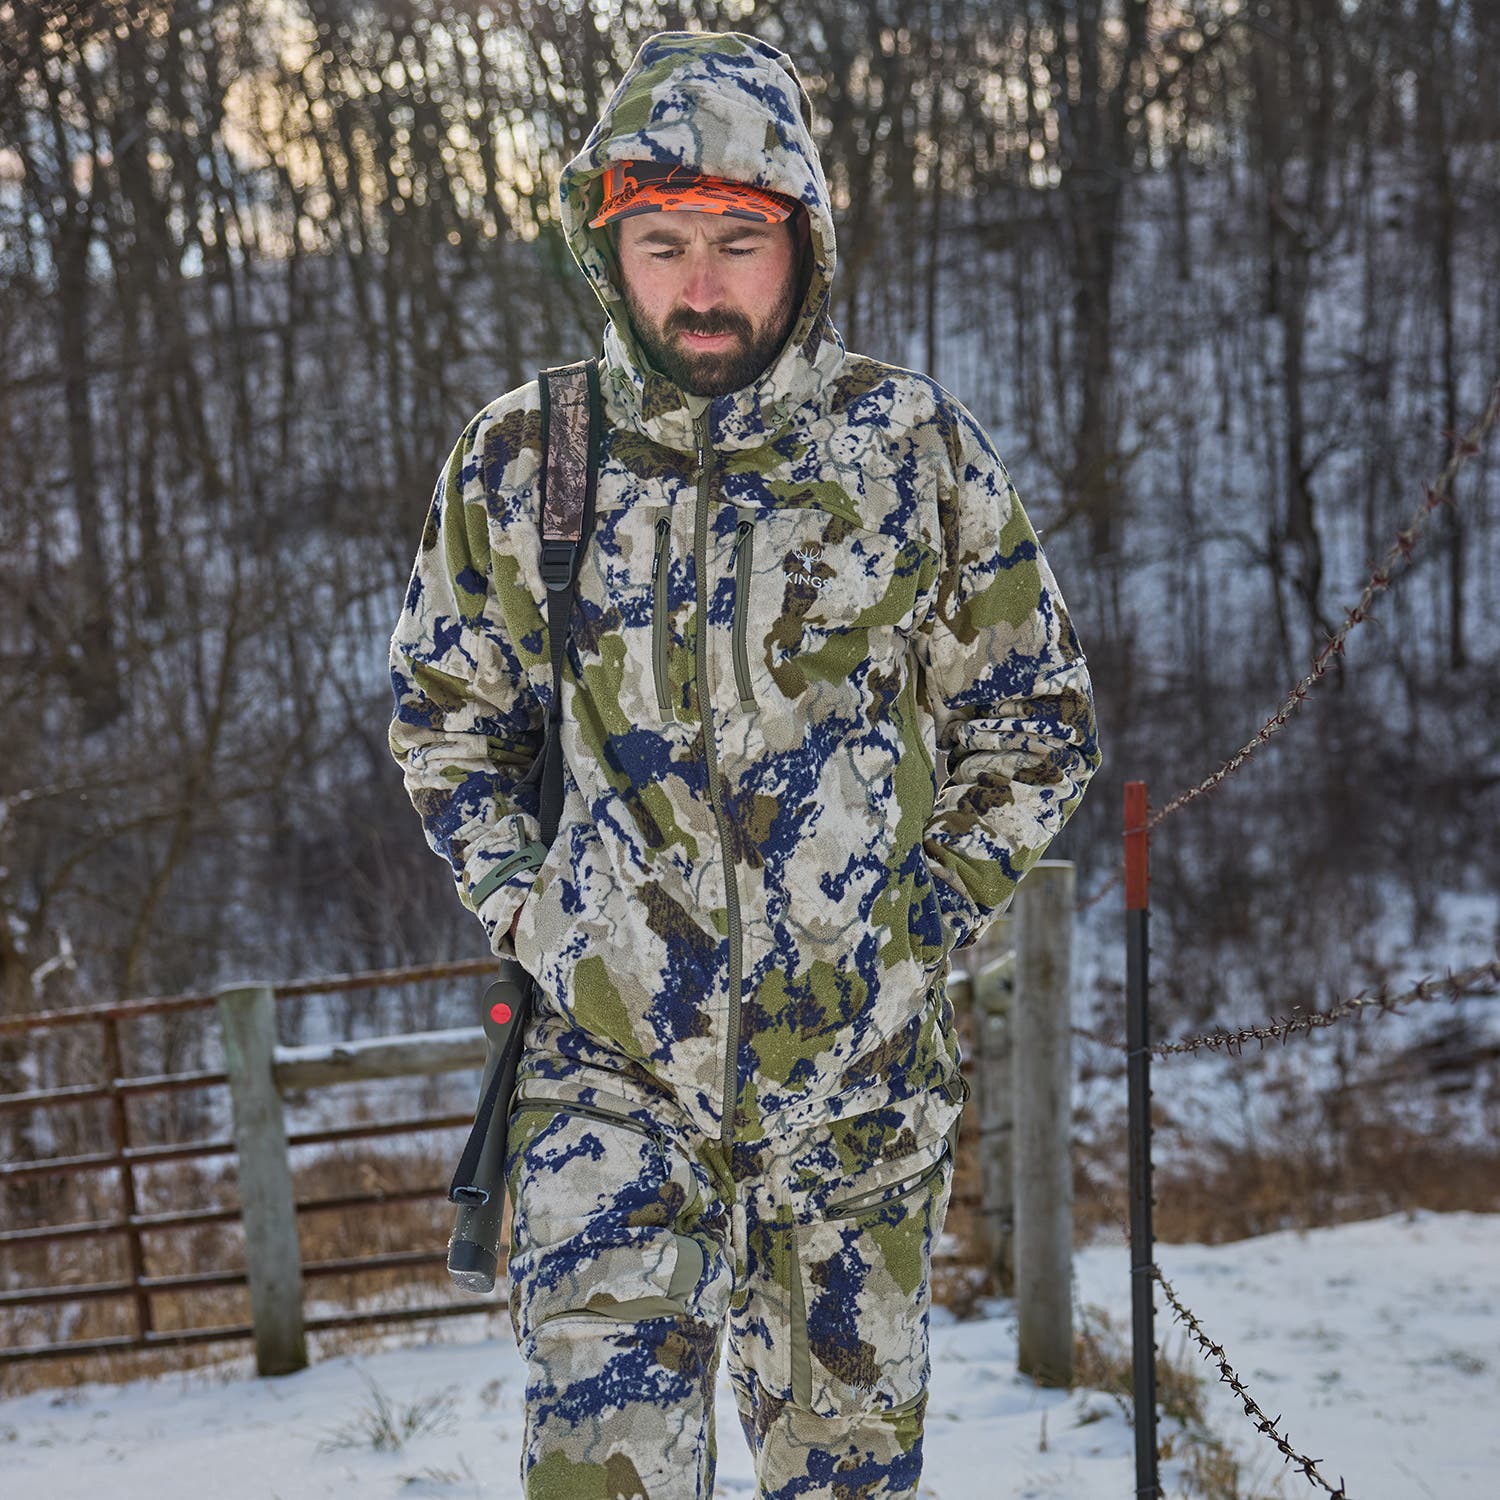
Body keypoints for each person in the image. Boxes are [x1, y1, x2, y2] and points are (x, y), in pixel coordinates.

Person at [389, 29, 1100, 1500]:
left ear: (804, 246)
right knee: (599, 1477)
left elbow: (1036, 724)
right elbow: (446, 721)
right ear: (609, 247)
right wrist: (541, 918)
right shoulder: (529, 461)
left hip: (855, 1100)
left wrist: (915, 927)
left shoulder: (907, 454)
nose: (699, 287)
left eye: (736, 244)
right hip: (608, 1090)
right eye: (661, 244)